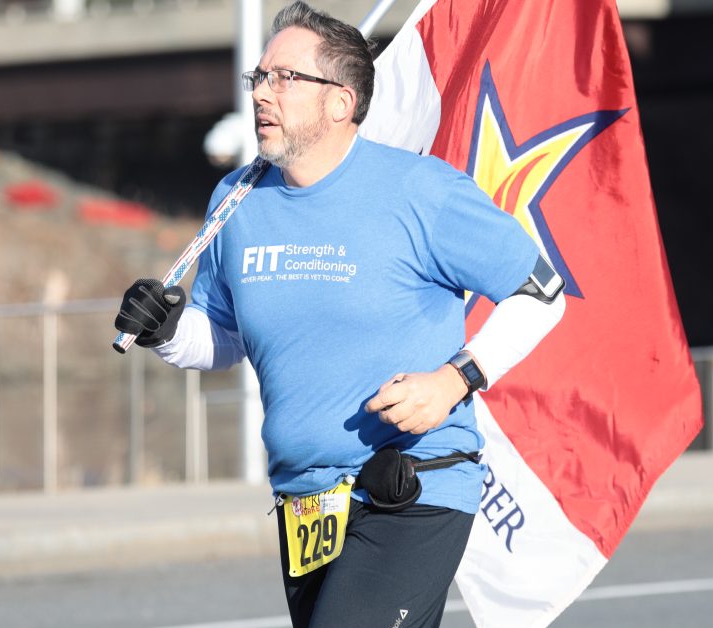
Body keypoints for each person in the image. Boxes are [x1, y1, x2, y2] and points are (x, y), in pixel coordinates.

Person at [114, 2, 565, 626]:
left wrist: (455, 379)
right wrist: (164, 330)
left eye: (284, 78)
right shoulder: (238, 198)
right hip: (305, 505)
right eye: (259, 78)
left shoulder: (419, 190)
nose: (262, 94)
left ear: (340, 102)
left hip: (412, 487)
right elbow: (222, 338)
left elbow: (543, 294)